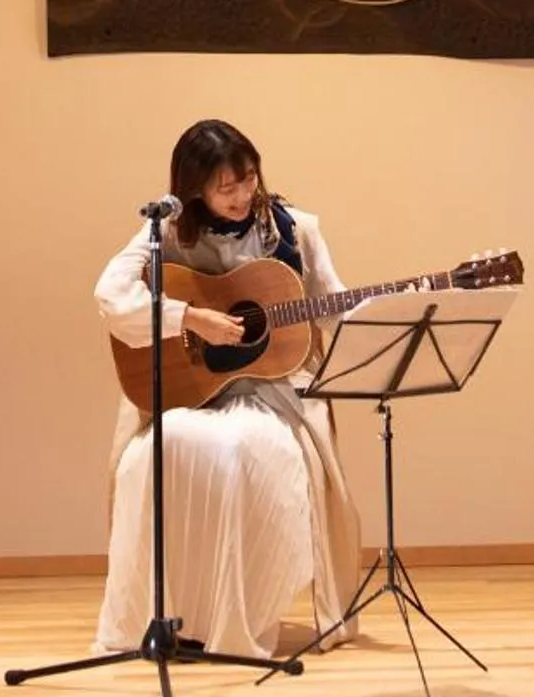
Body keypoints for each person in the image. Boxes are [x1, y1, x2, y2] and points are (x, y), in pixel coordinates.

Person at [93, 119, 362, 661]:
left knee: (244, 451)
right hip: (189, 390)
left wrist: (401, 304)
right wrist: (190, 316)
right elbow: (111, 295)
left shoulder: (294, 230)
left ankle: (239, 621)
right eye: (226, 187)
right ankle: (171, 616)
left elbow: (334, 304)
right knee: (152, 458)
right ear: (194, 189)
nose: (242, 195)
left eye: (248, 180)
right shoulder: (164, 232)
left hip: (272, 392)